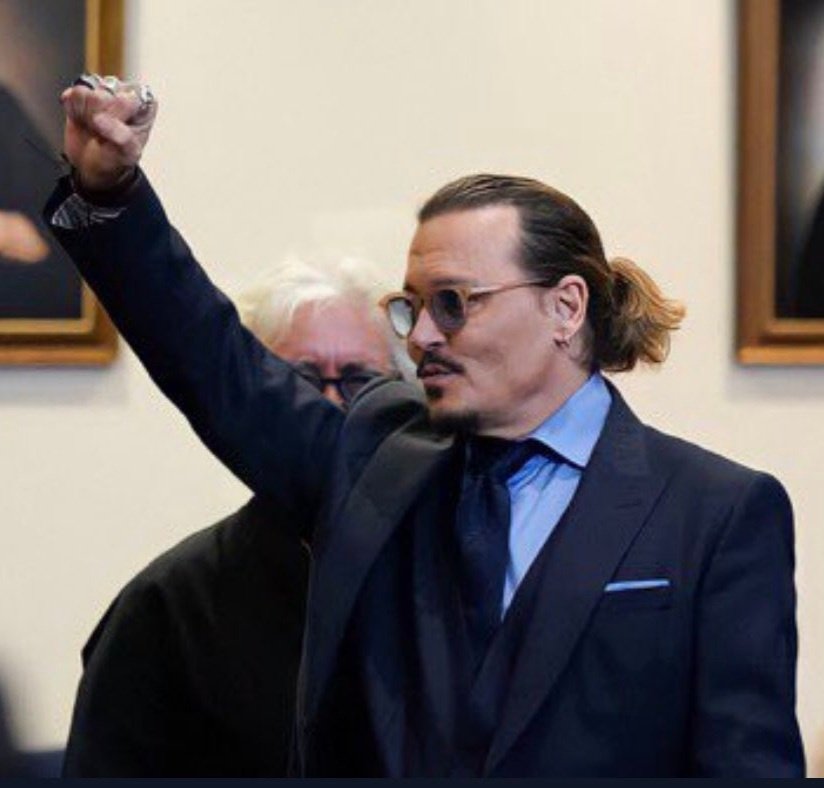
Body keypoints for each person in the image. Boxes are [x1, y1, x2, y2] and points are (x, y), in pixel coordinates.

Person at [46, 77, 804, 777]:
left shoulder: (716, 512)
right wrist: (110, 195)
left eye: (454, 303)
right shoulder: (378, 464)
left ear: (565, 307)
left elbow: (745, 763)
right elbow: (216, 364)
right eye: (411, 308)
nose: (422, 339)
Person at [62, 256, 400, 777]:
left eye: (362, 381)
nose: (330, 405)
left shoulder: (440, 575)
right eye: (300, 381)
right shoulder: (167, 606)